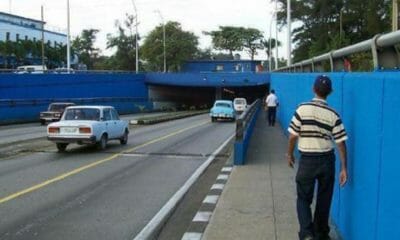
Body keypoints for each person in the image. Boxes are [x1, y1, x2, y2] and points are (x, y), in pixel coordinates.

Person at [286, 75, 348, 240]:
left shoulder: (302, 109)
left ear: (313, 89)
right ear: (330, 92)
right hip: (327, 161)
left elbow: (292, 136)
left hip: (307, 160)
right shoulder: (334, 115)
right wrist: (344, 168)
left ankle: (307, 234)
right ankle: (321, 234)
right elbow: (341, 143)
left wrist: (289, 154)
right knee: (324, 198)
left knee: (303, 198)